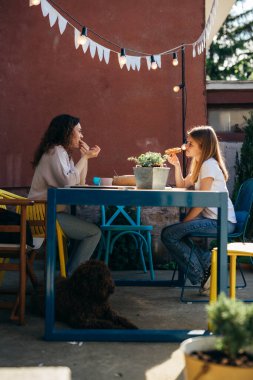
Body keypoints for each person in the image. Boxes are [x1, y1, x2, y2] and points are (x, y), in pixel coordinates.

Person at [161, 125, 236, 293]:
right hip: (213, 219)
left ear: (203, 146)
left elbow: (203, 201)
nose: (186, 146)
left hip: (222, 221)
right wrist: (177, 166)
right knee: (173, 233)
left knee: (170, 234)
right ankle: (208, 263)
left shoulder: (208, 165)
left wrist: (185, 221)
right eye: (187, 143)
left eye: (190, 144)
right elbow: (182, 185)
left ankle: (201, 275)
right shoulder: (199, 163)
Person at [29, 114, 101, 276]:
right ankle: (71, 277)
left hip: (50, 213)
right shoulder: (55, 151)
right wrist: (85, 158)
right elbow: (69, 181)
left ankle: (68, 275)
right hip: (44, 215)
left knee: (88, 232)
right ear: (67, 132)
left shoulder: (62, 153)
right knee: (94, 233)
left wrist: (85, 158)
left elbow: (79, 183)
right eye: (79, 131)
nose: (82, 136)